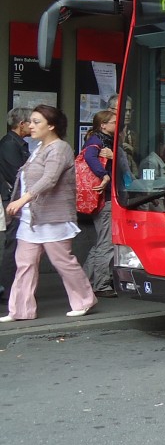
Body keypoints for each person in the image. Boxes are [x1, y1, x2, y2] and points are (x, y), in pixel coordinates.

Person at [2, 104, 98, 321]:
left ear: (51, 125)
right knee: (24, 264)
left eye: (37, 122)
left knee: (63, 262)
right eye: (30, 121)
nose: (30, 126)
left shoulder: (60, 148)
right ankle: (20, 310)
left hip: (53, 218)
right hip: (31, 218)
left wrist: (22, 200)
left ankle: (84, 300)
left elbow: (50, 178)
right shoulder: (38, 148)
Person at [81, 109, 118, 298]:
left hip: (101, 199)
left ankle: (83, 281)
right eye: (113, 121)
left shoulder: (100, 140)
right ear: (103, 125)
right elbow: (89, 157)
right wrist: (104, 175)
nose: (117, 124)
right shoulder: (98, 141)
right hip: (105, 199)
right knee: (107, 243)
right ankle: (101, 284)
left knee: (100, 242)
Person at [0, 107, 32, 301]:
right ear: (21, 124)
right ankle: (8, 289)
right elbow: (18, 175)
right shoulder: (10, 144)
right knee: (13, 243)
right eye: (31, 122)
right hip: (13, 200)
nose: (33, 126)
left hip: (17, 199)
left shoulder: (15, 142)